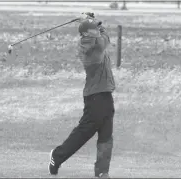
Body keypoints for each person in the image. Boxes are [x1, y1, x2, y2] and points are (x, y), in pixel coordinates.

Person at [48, 13, 115, 178]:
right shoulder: (90, 46)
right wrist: (90, 23)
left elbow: (100, 33)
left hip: (105, 95)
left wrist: (90, 20)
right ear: (85, 34)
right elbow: (104, 37)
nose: (98, 30)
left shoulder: (93, 38)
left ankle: (102, 171)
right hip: (95, 98)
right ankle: (57, 156)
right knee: (83, 133)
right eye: (94, 29)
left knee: (106, 136)